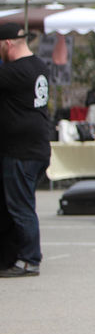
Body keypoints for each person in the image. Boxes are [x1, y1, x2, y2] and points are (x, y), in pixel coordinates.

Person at [0, 25, 51, 277]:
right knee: (23, 204)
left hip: (22, 150)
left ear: (7, 43)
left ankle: (30, 259)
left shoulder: (13, 72)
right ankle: (23, 255)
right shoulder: (39, 66)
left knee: (20, 207)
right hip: (38, 147)